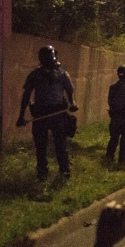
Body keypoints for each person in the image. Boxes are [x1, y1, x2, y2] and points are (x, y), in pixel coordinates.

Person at [16, 45, 78, 180]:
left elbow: (70, 91)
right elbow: (26, 96)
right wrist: (21, 116)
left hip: (55, 113)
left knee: (57, 144)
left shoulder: (60, 74)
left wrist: (72, 102)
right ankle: (46, 172)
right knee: (44, 145)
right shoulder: (38, 74)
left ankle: (62, 171)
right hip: (42, 114)